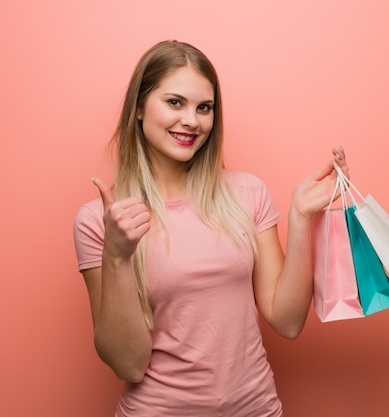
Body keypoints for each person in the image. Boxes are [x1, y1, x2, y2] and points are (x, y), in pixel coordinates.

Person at [73, 40, 349, 417]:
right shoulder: (99, 221)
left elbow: (287, 322)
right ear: (139, 107)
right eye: (175, 102)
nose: (192, 121)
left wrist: (301, 216)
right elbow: (128, 365)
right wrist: (118, 257)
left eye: (204, 108)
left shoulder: (247, 192)